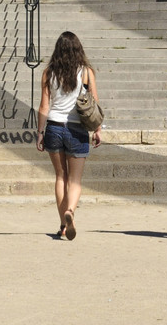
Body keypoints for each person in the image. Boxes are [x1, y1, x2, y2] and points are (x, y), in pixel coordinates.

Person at [34, 30, 102, 240]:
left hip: (54, 127)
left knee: (60, 176)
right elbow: (94, 103)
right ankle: (70, 211)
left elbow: (44, 106)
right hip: (77, 129)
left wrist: (40, 133)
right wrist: (98, 129)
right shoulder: (86, 72)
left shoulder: (49, 73)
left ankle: (63, 225)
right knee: (75, 180)